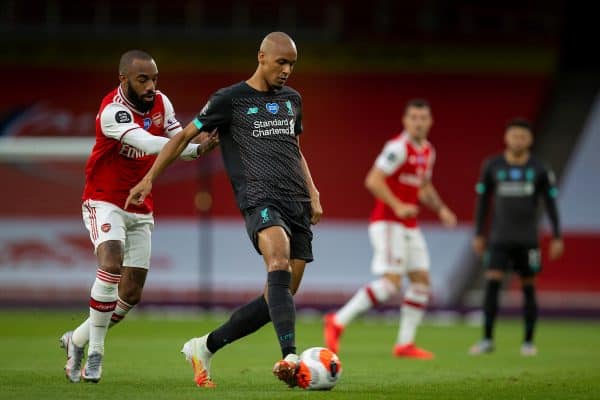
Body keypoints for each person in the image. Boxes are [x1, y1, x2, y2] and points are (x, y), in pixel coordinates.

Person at [125, 32, 322, 388]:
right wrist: (150, 178)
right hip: (260, 199)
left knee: (277, 297)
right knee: (276, 261)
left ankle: (205, 346)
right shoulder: (229, 100)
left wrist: (314, 191)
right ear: (262, 57)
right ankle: (290, 356)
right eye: (282, 62)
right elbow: (183, 136)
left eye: (292, 64)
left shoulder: (293, 99)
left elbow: (295, 148)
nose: (287, 70)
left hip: (297, 202)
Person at [59, 50, 217, 383]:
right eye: (142, 79)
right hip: (104, 200)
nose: (151, 86)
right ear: (124, 79)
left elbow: (176, 145)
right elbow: (148, 144)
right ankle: (97, 354)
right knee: (111, 263)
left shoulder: (162, 104)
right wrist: (191, 142)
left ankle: (76, 340)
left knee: (130, 294)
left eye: (154, 79)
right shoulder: (112, 111)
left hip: (140, 205)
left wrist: (200, 148)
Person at [323, 99, 457, 360]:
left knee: (421, 281)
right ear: (405, 121)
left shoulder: (428, 150)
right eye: (414, 118)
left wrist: (441, 209)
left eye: (423, 118)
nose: (418, 123)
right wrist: (398, 205)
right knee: (391, 283)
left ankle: (405, 344)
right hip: (388, 222)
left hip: (409, 225)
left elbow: (425, 186)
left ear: (430, 122)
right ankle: (337, 320)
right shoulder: (397, 148)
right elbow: (373, 180)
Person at [469, 118, 563, 356]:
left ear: (529, 140)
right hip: (499, 238)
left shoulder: (540, 169)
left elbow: (551, 203)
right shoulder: (492, 166)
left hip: (528, 239)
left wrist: (557, 235)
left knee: (529, 287)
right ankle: (487, 340)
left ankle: (528, 342)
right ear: (506, 138)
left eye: (522, 137)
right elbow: (482, 202)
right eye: (514, 136)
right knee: (492, 283)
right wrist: (479, 233)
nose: (518, 140)